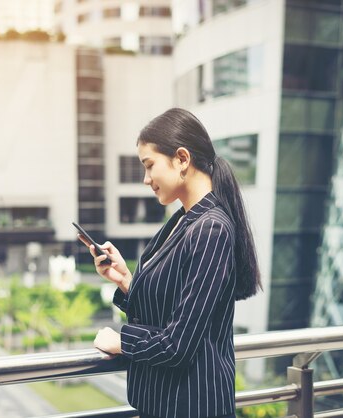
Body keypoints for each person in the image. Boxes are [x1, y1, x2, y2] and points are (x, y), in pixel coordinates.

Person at [77, 108, 261, 418]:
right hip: (168, 405)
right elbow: (173, 307)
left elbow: (178, 345)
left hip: (193, 407)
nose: (146, 179)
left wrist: (122, 341)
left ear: (182, 159)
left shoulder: (210, 228)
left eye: (149, 166)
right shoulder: (184, 221)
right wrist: (126, 280)